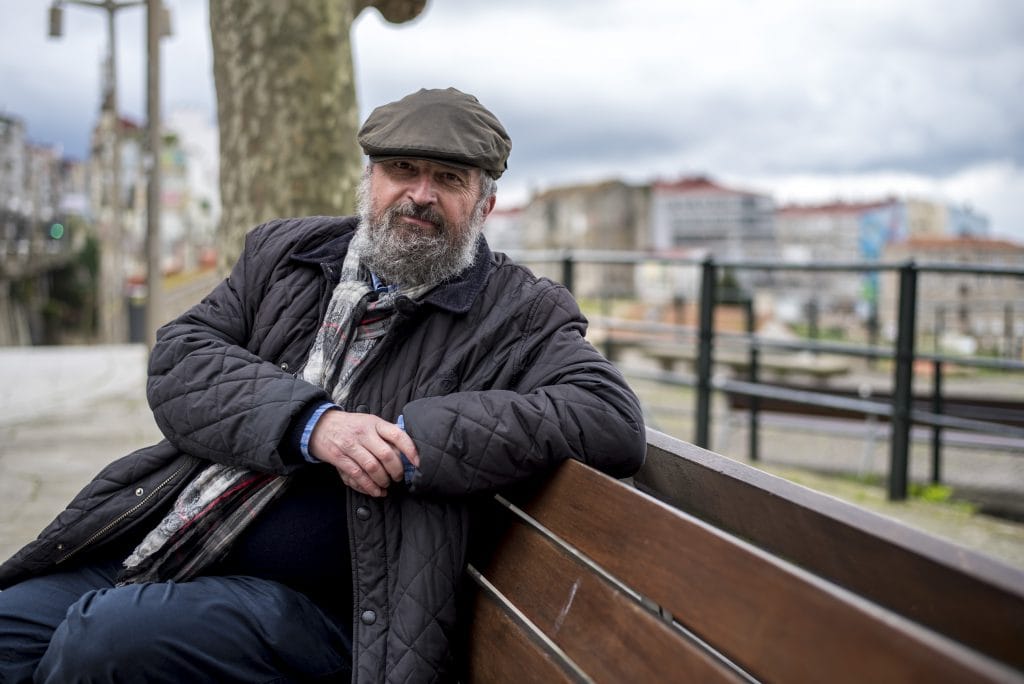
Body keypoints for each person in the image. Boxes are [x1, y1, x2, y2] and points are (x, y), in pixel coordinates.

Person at [0, 87, 646, 683]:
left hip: (341, 614)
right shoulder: (286, 254)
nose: (420, 194)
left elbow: (611, 417)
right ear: (370, 182)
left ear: (485, 205)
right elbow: (180, 358)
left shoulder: (519, 314)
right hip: (183, 534)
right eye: (402, 171)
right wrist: (315, 426)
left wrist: (417, 438)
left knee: (104, 641)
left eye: (449, 180)